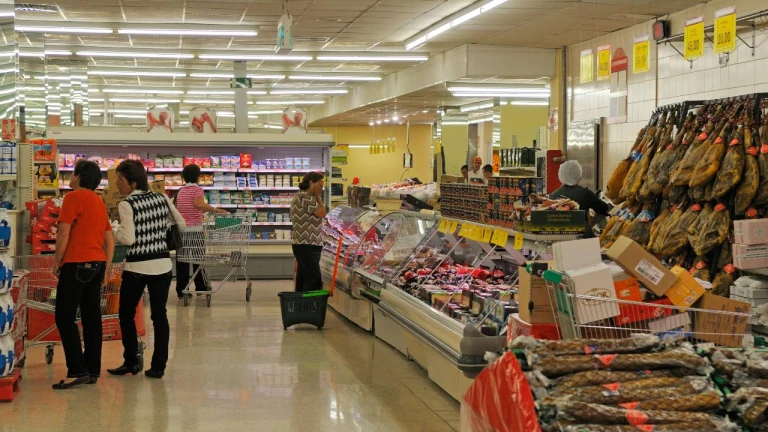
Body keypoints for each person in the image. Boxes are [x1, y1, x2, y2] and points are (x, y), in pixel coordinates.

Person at [108, 160, 185, 380]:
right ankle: (158, 366)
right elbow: (182, 224)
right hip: (162, 265)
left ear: (132, 183)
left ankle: (131, 361)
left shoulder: (127, 204)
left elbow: (128, 238)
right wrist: (159, 231)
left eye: (120, 179)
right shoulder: (162, 198)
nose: (117, 184)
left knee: (126, 314)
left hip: (136, 267)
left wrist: (113, 229)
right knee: (159, 316)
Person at [52, 160, 115, 390]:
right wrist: (106, 267)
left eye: (72, 173)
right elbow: (109, 239)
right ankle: (92, 369)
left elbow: (63, 233)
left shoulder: (73, 197)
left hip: (77, 263)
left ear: (78, 177)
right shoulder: (98, 201)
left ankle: (77, 369)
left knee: (64, 317)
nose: (70, 177)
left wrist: (57, 261)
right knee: (91, 318)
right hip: (97, 264)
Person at [174, 164, 227, 298]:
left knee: (182, 260)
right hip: (195, 230)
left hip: (182, 230)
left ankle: (182, 289)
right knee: (198, 259)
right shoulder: (197, 190)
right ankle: (201, 287)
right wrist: (215, 210)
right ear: (197, 177)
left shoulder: (180, 190)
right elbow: (198, 204)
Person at [548, 160, 610, 237]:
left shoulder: (552, 196)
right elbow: (603, 208)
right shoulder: (585, 193)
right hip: (582, 237)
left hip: (558, 237)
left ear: (560, 175)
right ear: (578, 175)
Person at [290, 172, 326, 292]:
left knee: (304, 278)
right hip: (307, 245)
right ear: (311, 183)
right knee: (313, 280)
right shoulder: (305, 196)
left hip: (304, 245)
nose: (321, 188)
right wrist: (318, 197)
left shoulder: (301, 196)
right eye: (319, 184)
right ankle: (311, 303)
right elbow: (322, 213)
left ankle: (301, 302)